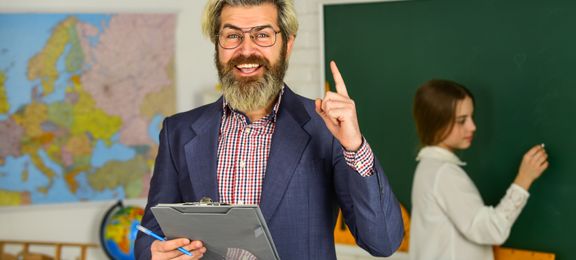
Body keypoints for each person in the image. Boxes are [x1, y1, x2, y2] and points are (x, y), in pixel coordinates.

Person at [134, 0, 404, 259]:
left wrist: (354, 147)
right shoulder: (178, 132)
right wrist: (153, 254)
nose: (246, 50)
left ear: (287, 45)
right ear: (217, 44)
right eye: (232, 36)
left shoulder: (326, 128)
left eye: (263, 35)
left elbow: (382, 241)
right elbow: (151, 235)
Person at [409, 79, 549, 260]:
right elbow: (491, 230)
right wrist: (524, 179)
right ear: (436, 122)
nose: (472, 127)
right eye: (462, 121)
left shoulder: (427, 167)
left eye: (471, 117)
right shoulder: (444, 173)